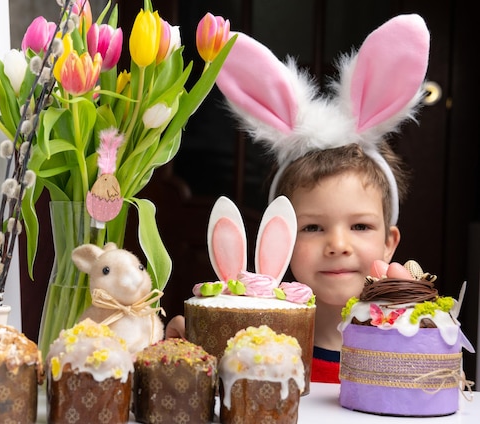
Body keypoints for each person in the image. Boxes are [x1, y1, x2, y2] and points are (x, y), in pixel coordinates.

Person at [165, 14, 430, 384]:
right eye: (312, 227)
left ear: (389, 243)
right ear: (281, 241)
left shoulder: (410, 345)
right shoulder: (256, 341)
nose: (337, 244)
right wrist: (191, 349)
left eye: (360, 225)